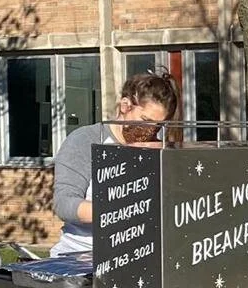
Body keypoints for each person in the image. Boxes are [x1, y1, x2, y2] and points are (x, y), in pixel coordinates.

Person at [50, 70, 179, 256]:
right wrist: (121, 212)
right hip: (82, 255)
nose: (150, 131)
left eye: (158, 125)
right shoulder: (85, 140)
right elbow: (64, 203)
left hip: (139, 256)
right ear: (125, 106)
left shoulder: (159, 148)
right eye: (145, 121)